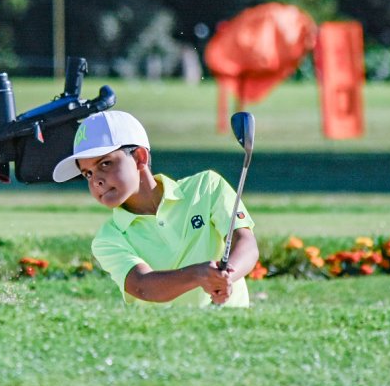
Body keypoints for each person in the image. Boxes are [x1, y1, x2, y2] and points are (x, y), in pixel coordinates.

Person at [52, 111, 259, 307]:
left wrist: (225, 277)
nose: (96, 180)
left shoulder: (206, 187)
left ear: (139, 157)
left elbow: (246, 242)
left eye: (105, 164)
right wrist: (199, 275)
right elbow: (143, 286)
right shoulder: (108, 238)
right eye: (87, 173)